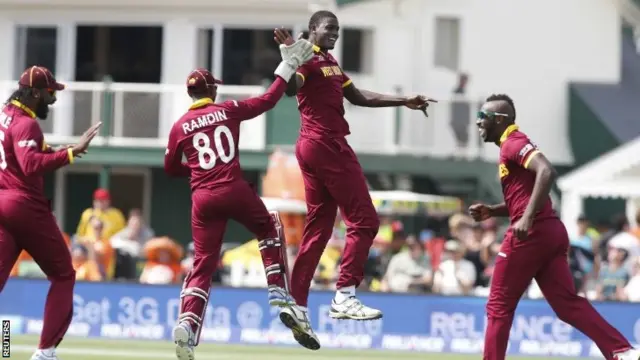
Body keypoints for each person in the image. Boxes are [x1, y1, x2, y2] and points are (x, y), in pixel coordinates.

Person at [272, 10, 436, 350]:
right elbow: (290, 88)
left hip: (312, 147)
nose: (335, 33)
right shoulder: (304, 56)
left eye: (338, 28)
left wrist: (403, 100)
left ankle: (297, 305)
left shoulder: (328, 61)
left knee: (318, 229)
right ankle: (344, 295)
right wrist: (288, 56)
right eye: (329, 28)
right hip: (327, 145)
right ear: (312, 29)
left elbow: (358, 95)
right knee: (365, 220)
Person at [163, 38, 315, 360]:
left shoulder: (179, 127)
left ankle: (187, 325)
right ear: (212, 92)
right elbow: (269, 100)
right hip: (233, 188)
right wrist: (286, 67)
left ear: (190, 94)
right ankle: (278, 292)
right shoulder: (227, 109)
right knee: (270, 227)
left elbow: (169, 167)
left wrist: (194, 171)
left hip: (202, 198)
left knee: (202, 263)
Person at [468, 93, 639, 360]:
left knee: (498, 306)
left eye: (483, 117)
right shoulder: (510, 145)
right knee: (566, 304)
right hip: (550, 231)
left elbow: (546, 171)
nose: (478, 123)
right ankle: (622, 351)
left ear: (500, 120)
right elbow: (524, 197)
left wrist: (525, 218)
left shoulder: (513, 142)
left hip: (531, 234)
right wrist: (493, 210)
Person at [0, 65, 102, 360]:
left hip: (3, 203)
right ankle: (44, 354)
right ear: (33, 93)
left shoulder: (7, 115)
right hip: (24, 205)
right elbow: (30, 164)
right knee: (63, 275)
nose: (52, 99)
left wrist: (63, 148)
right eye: (48, 93)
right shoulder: (27, 124)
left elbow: (24, 152)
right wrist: (71, 153)